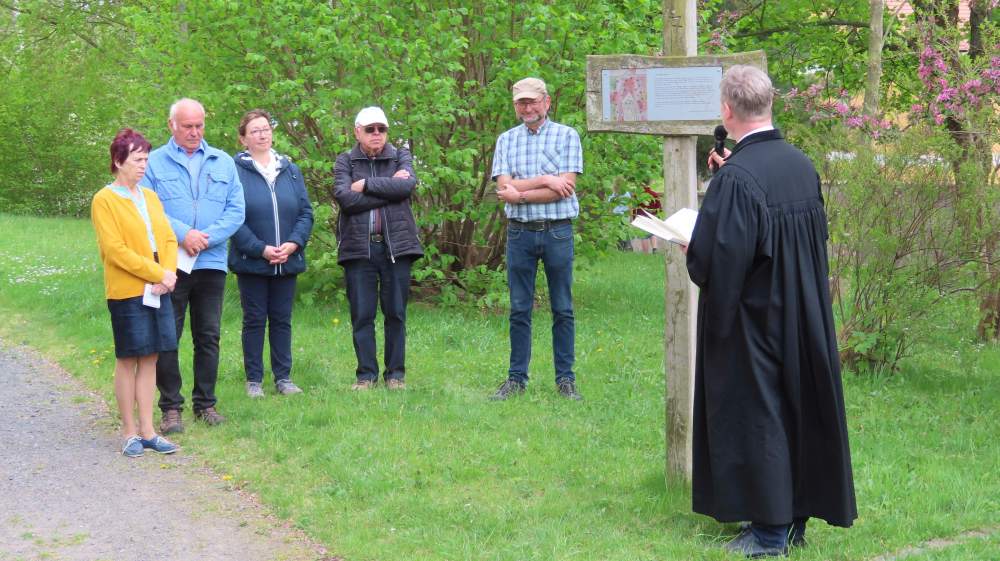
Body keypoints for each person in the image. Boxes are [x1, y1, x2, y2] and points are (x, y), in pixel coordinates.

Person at [682, 65, 857, 557]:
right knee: (795, 408)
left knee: (760, 414)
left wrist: (695, 246)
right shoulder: (801, 165)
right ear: (770, 102)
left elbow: (720, 260)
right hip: (803, 310)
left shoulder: (738, 179)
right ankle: (794, 519)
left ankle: (769, 533)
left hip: (756, 318)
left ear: (727, 110)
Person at [140, 98, 245, 432]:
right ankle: (171, 408)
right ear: (172, 125)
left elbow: (236, 210)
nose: (194, 132)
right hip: (170, 263)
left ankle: (206, 404)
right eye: (187, 126)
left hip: (211, 262)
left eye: (199, 125)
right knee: (168, 334)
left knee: (208, 335)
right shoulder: (153, 162)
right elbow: (148, 209)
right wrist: (184, 234)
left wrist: (206, 238)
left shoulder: (223, 162)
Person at [491, 77, 584, 401]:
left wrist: (521, 193)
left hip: (558, 231)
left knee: (563, 308)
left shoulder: (567, 136)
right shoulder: (506, 140)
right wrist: (546, 179)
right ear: (515, 106)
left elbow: (565, 188)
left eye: (532, 101)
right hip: (520, 233)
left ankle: (566, 380)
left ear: (546, 102)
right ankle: (516, 380)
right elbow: (503, 188)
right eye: (521, 102)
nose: (527, 107)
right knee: (519, 308)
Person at [92, 128, 180, 457]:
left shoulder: (151, 197)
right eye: (137, 159)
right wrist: (157, 273)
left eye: (146, 159)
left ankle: (148, 431)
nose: (144, 165)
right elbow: (115, 250)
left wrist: (167, 275)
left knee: (152, 355)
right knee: (129, 357)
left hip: (159, 285)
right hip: (128, 288)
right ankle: (129, 432)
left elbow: (168, 239)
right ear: (118, 161)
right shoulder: (104, 200)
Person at [333, 106, 423, 390]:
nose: (376, 134)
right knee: (362, 315)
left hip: (397, 247)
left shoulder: (400, 156)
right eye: (370, 129)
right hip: (359, 249)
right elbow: (345, 199)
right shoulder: (345, 160)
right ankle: (366, 376)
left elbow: (406, 187)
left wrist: (366, 184)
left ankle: (395, 375)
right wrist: (390, 190)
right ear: (357, 132)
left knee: (395, 313)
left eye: (381, 129)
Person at [230, 109, 314, 398]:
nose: (262, 134)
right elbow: (232, 217)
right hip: (252, 262)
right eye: (254, 131)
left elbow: (305, 212)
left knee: (281, 319)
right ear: (243, 139)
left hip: (287, 260)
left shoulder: (290, 169)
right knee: (254, 319)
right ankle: (254, 380)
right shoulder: (234, 171)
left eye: (265, 129)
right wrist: (261, 249)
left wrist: (293, 244)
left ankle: (283, 378)